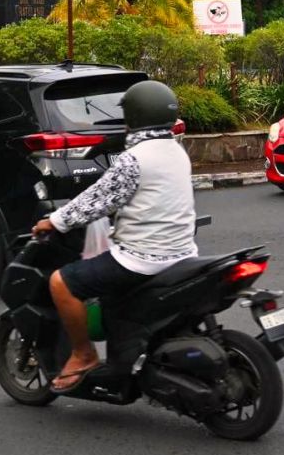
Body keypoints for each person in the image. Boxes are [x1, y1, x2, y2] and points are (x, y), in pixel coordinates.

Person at [30, 80, 196, 393]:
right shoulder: (177, 151)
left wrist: (53, 221)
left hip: (140, 260)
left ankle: (83, 355)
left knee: (61, 283)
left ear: (133, 116)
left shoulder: (135, 158)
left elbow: (97, 200)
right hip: (184, 256)